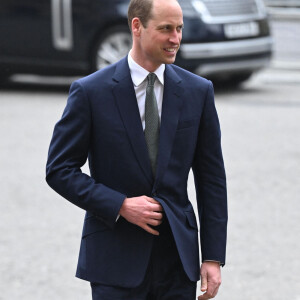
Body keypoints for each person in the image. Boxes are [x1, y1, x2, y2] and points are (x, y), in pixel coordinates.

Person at [46, 0, 227, 299]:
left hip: (177, 260)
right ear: (136, 27)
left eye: (179, 28)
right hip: (114, 260)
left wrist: (212, 256)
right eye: (166, 29)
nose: (176, 39)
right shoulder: (91, 92)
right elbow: (59, 170)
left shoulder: (199, 92)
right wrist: (120, 205)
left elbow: (212, 179)